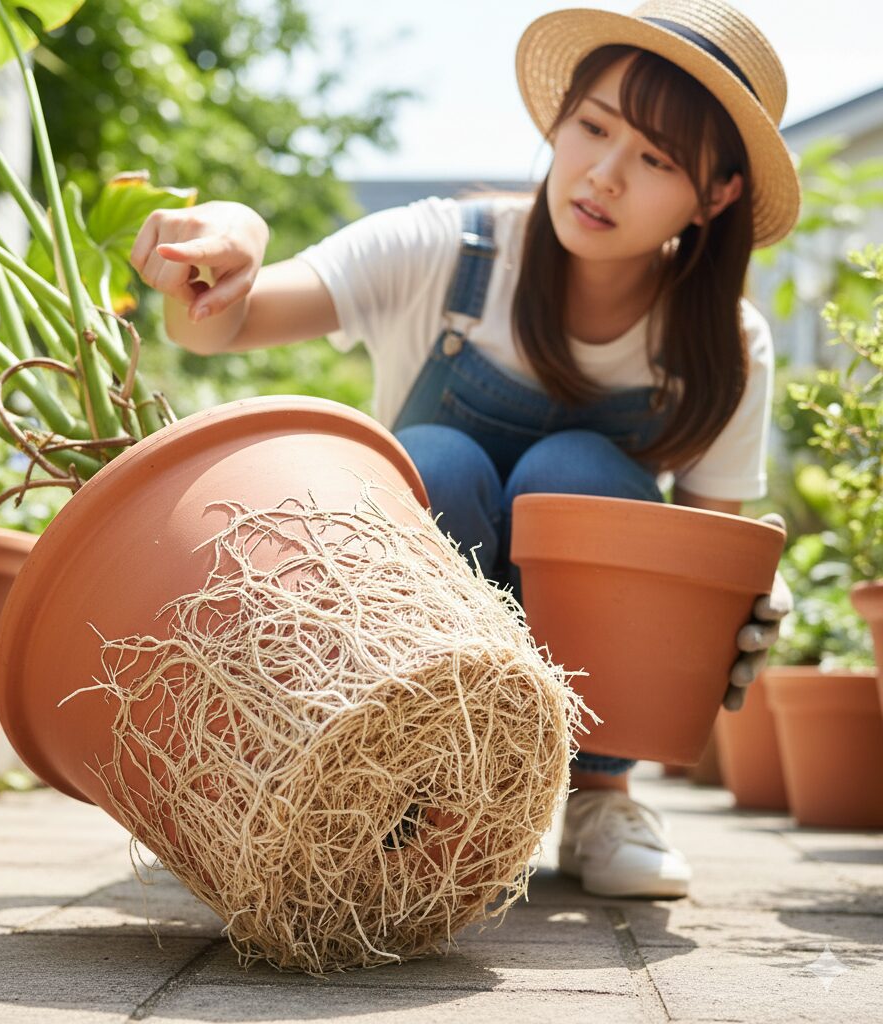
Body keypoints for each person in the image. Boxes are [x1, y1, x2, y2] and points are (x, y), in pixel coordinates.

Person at [130, 0, 799, 899]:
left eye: (655, 159)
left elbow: (708, 553)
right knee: (435, 462)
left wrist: (749, 594)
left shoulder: (723, 344)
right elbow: (227, 324)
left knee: (576, 478)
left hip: (593, 655)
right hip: (410, 647)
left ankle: (600, 794)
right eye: (593, 128)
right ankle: (414, 794)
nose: (602, 175)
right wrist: (235, 234)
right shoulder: (450, 249)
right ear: (559, 122)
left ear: (715, 194)